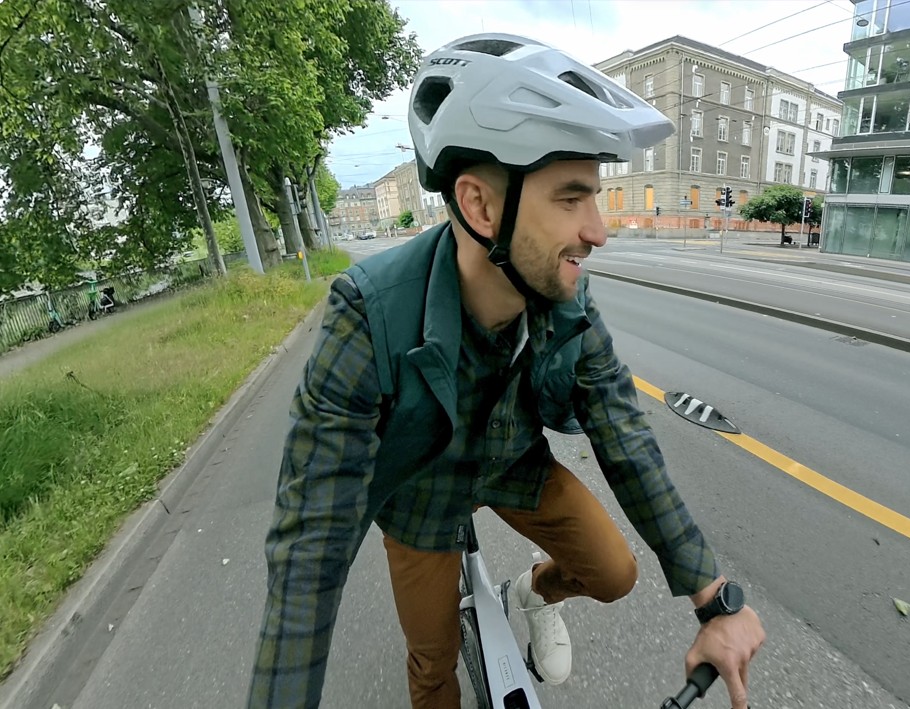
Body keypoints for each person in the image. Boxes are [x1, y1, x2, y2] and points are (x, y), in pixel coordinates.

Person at [247, 33, 766, 709]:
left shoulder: (568, 298)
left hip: (514, 465)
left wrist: (714, 600)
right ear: (481, 206)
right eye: (570, 197)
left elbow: (625, 434)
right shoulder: (368, 315)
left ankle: (531, 594)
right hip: (421, 496)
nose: (598, 229)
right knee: (433, 667)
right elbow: (308, 555)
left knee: (614, 572)